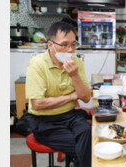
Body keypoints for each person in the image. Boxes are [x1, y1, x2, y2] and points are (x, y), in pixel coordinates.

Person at [25, 22, 92, 167]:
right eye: (64, 45)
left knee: (88, 133)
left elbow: (86, 98)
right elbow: (37, 104)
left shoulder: (77, 63)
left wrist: (74, 75)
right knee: (85, 148)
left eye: (73, 45)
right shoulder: (37, 64)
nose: (69, 50)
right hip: (43, 121)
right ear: (51, 45)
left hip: (69, 115)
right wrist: (71, 97)